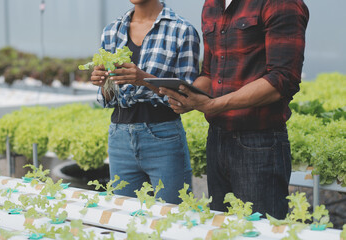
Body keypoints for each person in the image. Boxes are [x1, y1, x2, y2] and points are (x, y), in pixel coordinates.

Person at [160, 0, 309, 218]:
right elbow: (209, 74)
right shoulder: (212, 4)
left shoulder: (280, 3)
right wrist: (188, 96)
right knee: (222, 226)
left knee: (258, 229)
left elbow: (282, 80)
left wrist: (213, 104)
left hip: (259, 143)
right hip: (217, 139)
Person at [90, 0, 200, 204]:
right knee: (126, 219)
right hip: (119, 138)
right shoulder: (112, 30)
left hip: (163, 137)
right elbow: (109, 96)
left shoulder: (182, 30)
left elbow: (187, 98)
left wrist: (143, 79)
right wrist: (103, 82)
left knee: (172, 217)